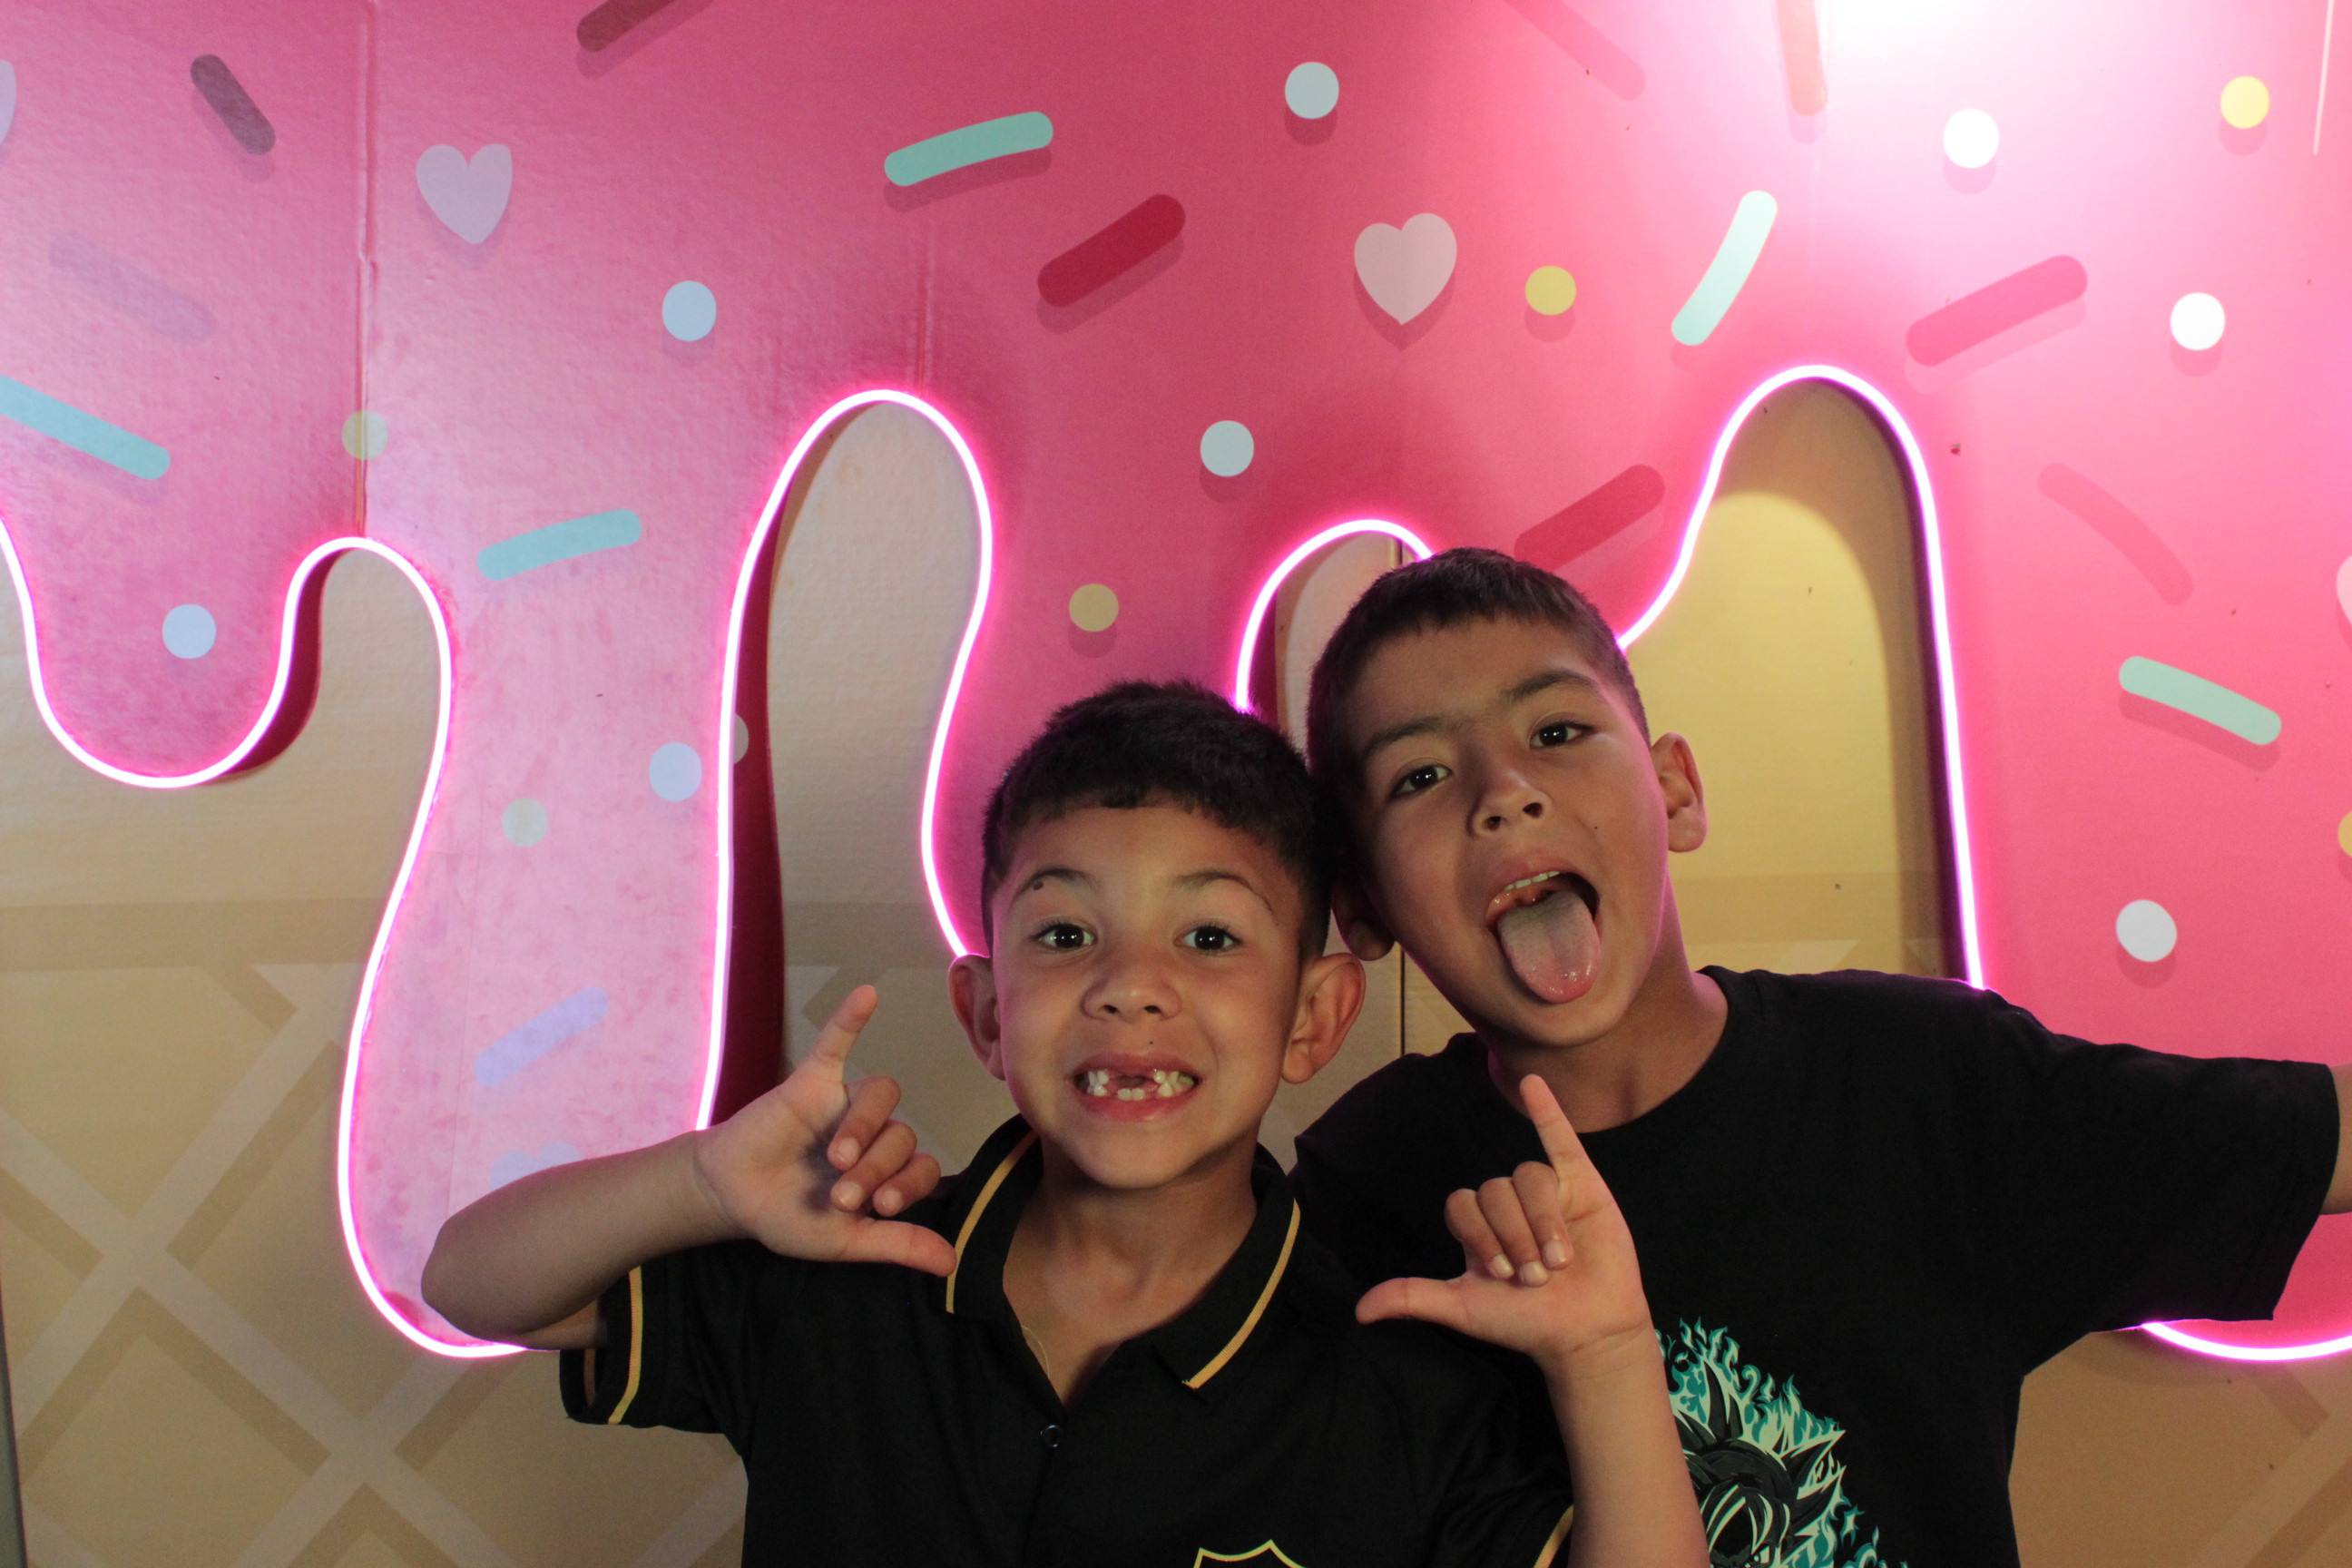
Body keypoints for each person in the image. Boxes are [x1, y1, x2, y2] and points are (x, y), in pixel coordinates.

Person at [425, 680, 1708, 1566]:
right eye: (1064, 933)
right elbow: (471, 1284)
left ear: (1315, 1016)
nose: (1129, 985)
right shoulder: (847, 1277)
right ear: (988, 1014)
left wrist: (1605, 1356)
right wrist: (705, 1185)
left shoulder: (1397, 1375)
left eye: (1210, 937)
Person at [1288, 547, 2352, 1568]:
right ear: (1361, 905)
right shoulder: (1368, 1185)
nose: (1503, 792)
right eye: (1420, 775)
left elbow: (2302, 1140)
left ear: (1675, 791)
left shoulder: (1923, 1083)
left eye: (1557, 730)